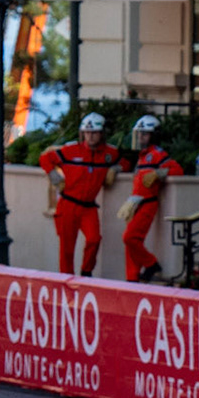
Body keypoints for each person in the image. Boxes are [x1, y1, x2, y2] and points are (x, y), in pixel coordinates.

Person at [37, 113, 120, 276]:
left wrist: (116, 169)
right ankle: (66, 282)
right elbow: (45, 159)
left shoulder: (109, 153)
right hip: (68, 205)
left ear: (101, 134)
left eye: (94, 132)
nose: (90, 136)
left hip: (88, 207)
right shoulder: (71, 150)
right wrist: (53, 175)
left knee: (94, 239)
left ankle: (86, 272)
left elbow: (123, 161)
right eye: (87, 133)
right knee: (67, 249)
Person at [118, 114, 182, 283]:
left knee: (130, 238)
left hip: (147, 203)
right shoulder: (141, 156)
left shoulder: (157, 154)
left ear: (153, 136)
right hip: (135, 202)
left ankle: (151, 263)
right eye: (139, 134)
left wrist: (159, 173)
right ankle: (132, 277)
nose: (140, 138)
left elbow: (177, 169)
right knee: (130, 243)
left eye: (144, 134)